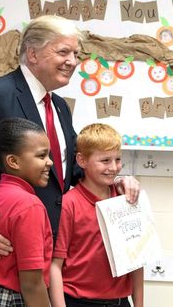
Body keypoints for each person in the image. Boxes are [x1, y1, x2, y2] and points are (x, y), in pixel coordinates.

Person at [0, 15, 141, 306]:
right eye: (63, 52)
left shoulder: (59, 106)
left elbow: (65, 176)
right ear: (32, 53)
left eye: (76, 54)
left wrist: (115, 178)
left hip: (36, 258)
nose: (73, 61)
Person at [49, 124, 144, 307]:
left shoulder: (127, 200)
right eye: (105, 160)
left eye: (118, 159)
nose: (114, 167)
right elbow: (55, 265)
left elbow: (137, 260)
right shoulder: (69, 204)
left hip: (119, 302)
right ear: (82, 161)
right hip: (77, 301)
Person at [0, 117, 53, 307]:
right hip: (10, 299)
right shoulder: (29, 205)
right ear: (13, 161)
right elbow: (31, 283)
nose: (50, 162)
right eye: (41, 156)